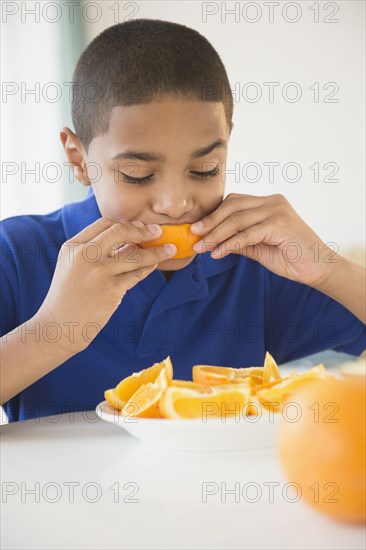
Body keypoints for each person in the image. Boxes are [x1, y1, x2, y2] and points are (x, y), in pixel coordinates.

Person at [1, 19, 365, 423]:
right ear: (79, 160)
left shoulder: (254, 263)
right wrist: (54, 329)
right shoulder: (17, 253)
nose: (176, 204)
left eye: (206, 169)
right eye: (137, 174)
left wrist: (329, 269)